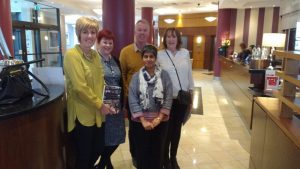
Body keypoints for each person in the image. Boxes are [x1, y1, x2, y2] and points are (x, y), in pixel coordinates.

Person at [64, 17, 115, 169]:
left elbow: (101, 81)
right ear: (79, 34)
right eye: (85, 32)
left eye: (93, 32)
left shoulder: (94, 56)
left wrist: (110, 99)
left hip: (98, 113)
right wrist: (101, 105)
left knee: (98, 148)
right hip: (82, 114)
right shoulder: (72, 55)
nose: (90, 36)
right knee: (83, 155)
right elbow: (80, 87)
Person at [128, 45, 173, 169]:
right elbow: (132, 98)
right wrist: (143, 120)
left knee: (157, 154)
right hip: (140, 124)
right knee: (142, 154)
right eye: (146, 56)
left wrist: (158, 119)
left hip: (160, 123)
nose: (149, 59)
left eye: (151, 56)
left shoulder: (164, 75)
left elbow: (168, 97)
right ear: (142, 58)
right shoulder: (136, 77)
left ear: (155, 58)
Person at [157, 28, 194, 169]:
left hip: (182, 98)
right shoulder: (160, 55)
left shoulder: (184, 53)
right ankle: (165, 159)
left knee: (177, 130)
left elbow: (189, 75)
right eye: (168, 37)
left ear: (178, 39)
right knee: (166, 130)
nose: (171, 40)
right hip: (166, 99)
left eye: (173, 37)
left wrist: (191, 94)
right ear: (164, 39)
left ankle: (173, 157)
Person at [119, 19, 150, 167]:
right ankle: (135, 155)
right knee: (134, 129)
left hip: (150, 100)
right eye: (140, 30)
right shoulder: (125, 52)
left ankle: (145, 153)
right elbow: (122, 75)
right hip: (132, 100)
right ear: (135, 31)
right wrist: (127, 96)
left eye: (145, 30)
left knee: (148, 127)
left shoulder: (152, 51)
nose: (142, 33)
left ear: (148, 32)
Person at [95, 29, 126, 169]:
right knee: (104, 139)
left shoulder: (115, 59)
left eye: (110, 42)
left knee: (117, 138)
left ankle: (104, 162)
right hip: (102, 107)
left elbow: (120, 81)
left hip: (116, 106)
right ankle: (105, 164)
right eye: (104, 42)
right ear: (98, 42)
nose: (107, 45)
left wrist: (122, 103)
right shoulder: (94, 60)